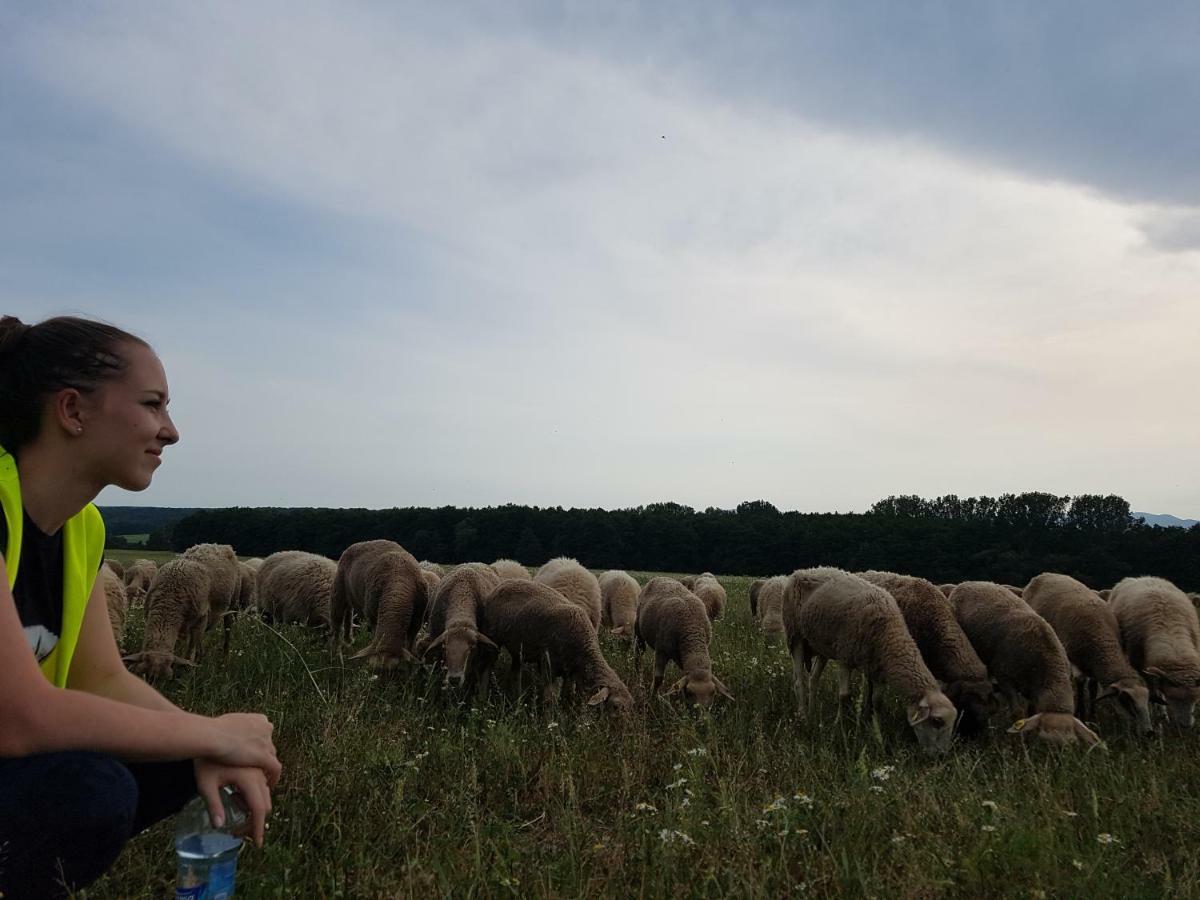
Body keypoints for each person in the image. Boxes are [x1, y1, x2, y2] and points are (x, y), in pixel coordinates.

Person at [0, 315, 282, 898]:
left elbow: (102, 680)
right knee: (94, 788)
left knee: (171, 758)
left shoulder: (81, 528)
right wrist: (216, 735)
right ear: (73, 411)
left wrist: (202, 741)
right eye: (153, 405)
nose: (171, 431)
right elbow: (19, 717)